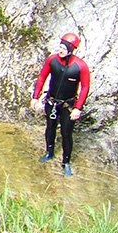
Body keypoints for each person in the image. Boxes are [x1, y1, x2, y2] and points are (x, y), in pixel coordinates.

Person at [30, 32, 90, 176]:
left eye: (64, 48)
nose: (60, 50)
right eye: (60, 47)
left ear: (71, 49)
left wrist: (78, 108)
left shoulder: (80, 66)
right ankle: (49, 152)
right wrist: (35, 97)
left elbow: (85, 87)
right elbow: (42, 77)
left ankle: (66, 162)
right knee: (50, 127)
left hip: (68, 105)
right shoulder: (52, 60)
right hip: (52, 101)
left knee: (66, 132)